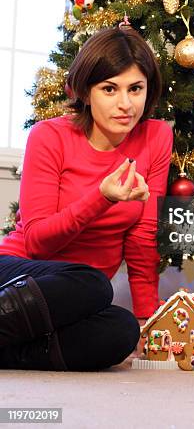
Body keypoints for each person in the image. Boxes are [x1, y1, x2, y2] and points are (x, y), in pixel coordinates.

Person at [0, 26, 173, 371]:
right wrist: (101, 198)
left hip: (73, 298)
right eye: (110, 89)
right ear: (86, 91)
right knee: (93, 282)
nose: (125, 104)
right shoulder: (49, 136)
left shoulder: (156, 137)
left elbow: (142, 239)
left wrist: (146, 319)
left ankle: (10, 353)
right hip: (17, 273)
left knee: (120, 330)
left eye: (135, 89)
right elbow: (37, 242)